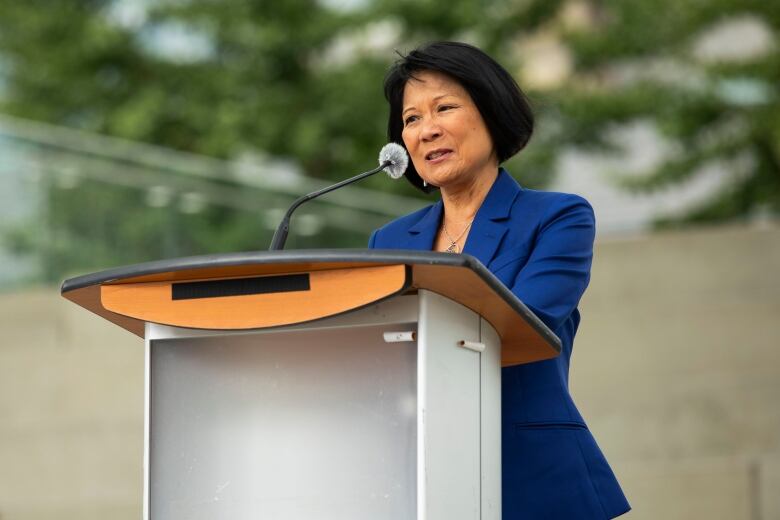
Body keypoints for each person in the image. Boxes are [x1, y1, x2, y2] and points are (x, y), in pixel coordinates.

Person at [368, 41, 631, 519]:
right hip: (418, 479)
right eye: (411, 119)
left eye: (444, 108)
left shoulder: (558, 217)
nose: (427, 130)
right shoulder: (387, 240)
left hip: (532, 478)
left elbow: (523, 325)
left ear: (492, 114)